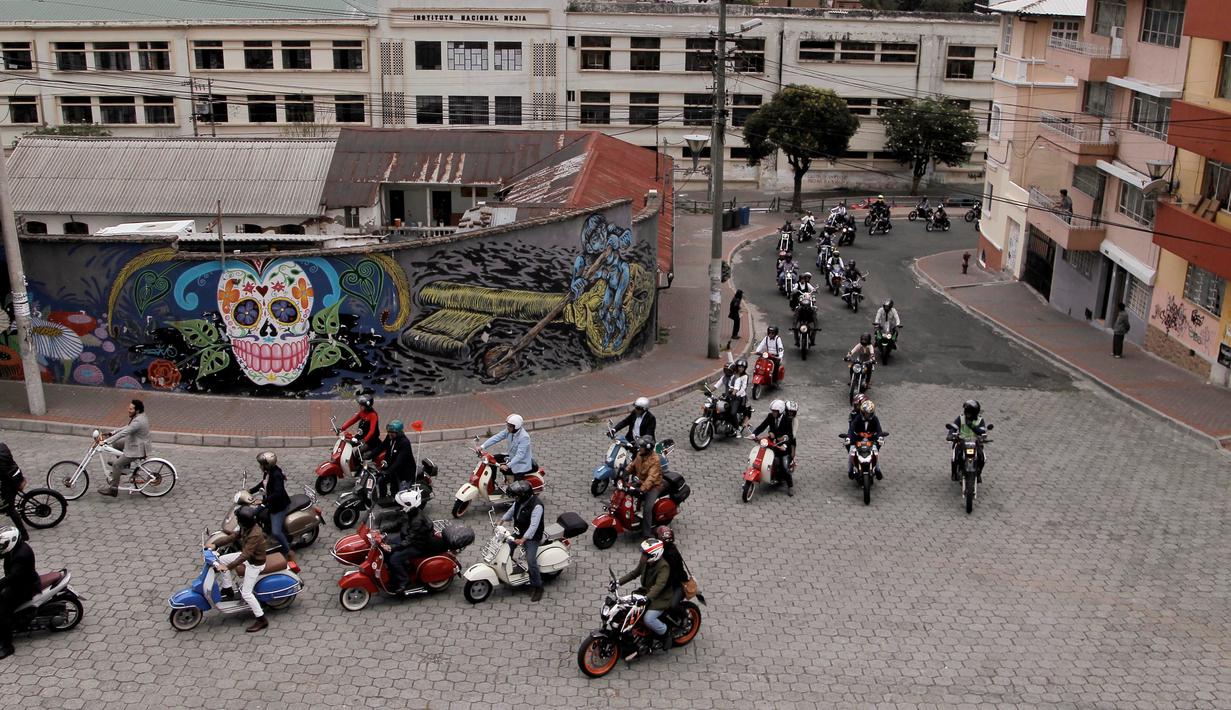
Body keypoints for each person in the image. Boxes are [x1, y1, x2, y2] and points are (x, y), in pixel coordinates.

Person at [206, 505, 269, 632]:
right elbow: (234, 536)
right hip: (249, 558)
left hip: (255, 563)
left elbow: (245, 555)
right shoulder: (246, 527)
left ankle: (261, 619)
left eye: (239, 519)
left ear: (243, 521)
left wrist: (228, 567)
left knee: (246, 593)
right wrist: (215, 544)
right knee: (221, 559)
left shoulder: (254, 534)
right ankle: (228, 588)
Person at [618, 538, 674, 659]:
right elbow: (634, 573)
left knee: (648, 619)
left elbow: (659, 586)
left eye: (645, 553)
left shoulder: (663, 566)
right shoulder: (646, 561)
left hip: (660, 598)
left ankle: (666, 633)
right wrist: (618, 582)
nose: (642, 555)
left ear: (654, 555)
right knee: (626, 609)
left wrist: (647, 598)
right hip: (646, 593)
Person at [380, 489, 435, 594]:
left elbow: (409, 541)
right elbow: (398, 524)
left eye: (401, 505)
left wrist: (392, 547)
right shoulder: (409, 512)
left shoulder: (417, 521)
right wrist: (381, 529)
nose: (400, 507)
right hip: (408, 537)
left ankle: (404, 581)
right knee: (386, 545)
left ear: (409, 505)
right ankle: (394, 572)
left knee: (394, 559)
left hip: (419, 546)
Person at [96, 398, 150, 498]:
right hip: (135, 443)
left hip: (136, 449)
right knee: (117, 443)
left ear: (137, 410)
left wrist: (106, 441)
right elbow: (127, 427)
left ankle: (113, 489)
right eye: (129, 408)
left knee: (116, 465)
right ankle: (125, 466)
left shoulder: (138, 421)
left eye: (131, 409)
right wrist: (112, 432)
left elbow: (124, 432)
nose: (128, 410)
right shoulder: (139, 416)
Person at [502, 481, 546, 602]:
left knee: (531, 560)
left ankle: (538, 586)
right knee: (506, 546)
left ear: (523, 495)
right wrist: (502, 520)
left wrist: (523, 539)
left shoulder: (537, 506)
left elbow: (533, 526)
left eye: (516, 496)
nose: (515, 498)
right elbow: (512, 510)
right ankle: (507, 570)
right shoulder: (519, 501)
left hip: (532, 537)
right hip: (519, 531)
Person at [249, 452, 295, 567]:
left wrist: (263, 501)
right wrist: (250, 491)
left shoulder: (276, 475)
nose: (260, 466)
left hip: (278, 506)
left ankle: (288, 551)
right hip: (269, 502)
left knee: (276, 532)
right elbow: (263, 483)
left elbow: (278, 493)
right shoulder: (268, 472)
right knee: (254, 513)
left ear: (267, 465)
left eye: (261, 464)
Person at [0, 525, 38, 659]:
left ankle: (7, 646)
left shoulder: (21, 556)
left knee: (3, 613)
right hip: (19, 581)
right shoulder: (15, 548)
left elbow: (12, 578)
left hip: (23, 587)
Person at [624, 435, 664, 537]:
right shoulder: (640, 454)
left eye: (642, 446)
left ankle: (647, 533)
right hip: (640, 481)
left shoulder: (655, 460)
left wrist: (642, 489)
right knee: (624, 491)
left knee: (647, 508)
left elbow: (651, 478)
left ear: (648, 449)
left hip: (653, 486)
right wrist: (624, 472)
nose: (639, 448)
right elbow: (633, 465)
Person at [752, 400, 794, 496]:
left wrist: (784, 445)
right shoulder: (770, 416)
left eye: (775, 411)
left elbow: (790, 436)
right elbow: (762, 426)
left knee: (784, 467)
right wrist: (754, 434)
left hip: (783, 447)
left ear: (780, 411)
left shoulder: (787, 420)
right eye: (772, 411)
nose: (773, 413)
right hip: (772, 443)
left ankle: (790, 486)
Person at [481, 413, 534, 487]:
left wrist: (507, 466)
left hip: (521, 463)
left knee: (516, 488)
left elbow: (520, 455)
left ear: (516, 427)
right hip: (511, 457)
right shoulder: (509, 431)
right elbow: (497, 437)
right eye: (507, 425)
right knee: (492, 459)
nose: (507, 427)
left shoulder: (524, 437)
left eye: (510, 426)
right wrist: (482, 446)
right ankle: (491, 484)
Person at [847, 399, 885, 480]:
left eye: (869, 413)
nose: (867, 415)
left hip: (871, 440)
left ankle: (877, 470)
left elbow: (879, 430)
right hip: (857, 440)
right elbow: (851, 429)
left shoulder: (875, 419)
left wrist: (880, 437)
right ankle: (850, 470)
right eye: (865, 413)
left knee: (875, 453)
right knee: (851, 453)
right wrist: (848, 438)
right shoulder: (857, 418)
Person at [951, 399, 990, 480]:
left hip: (975, 443)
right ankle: (954, 473)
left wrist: (972, 426)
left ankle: (978, 473)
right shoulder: (961, 418)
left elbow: (982, 431)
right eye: (966, 410)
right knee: (955, 457)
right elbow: (953, 427)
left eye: (970, 411)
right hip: (961, 441)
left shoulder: (980, 420)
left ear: (975, 412)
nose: (967, 413)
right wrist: (950, 434)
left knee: (982, 458)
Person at [654, 524, 689, 609]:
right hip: (665, 583)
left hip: (676, 585)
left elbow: (672, 576)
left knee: (672, 606)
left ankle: (683, 614)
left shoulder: (671, 555)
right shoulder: (662, 551)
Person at [380, 420, 417, 496]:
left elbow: (399, 461)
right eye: (389, 432)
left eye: (392, 432)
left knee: (402, 496)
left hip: (404, 472)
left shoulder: (404, 443)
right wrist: (369, 455)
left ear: (398, 432)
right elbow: (381, 447)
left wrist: (388, 471)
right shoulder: (390, 438)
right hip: (394, 469)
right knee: (381, 481)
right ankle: (382, 498)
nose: (389, 434)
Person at [341, 393, 381, 459]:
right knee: (347, 445)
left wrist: (364, 440)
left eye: (362, 405)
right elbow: (352, 420)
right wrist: (342, 428)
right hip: (361, 437)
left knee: (358, 453)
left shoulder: (373, 415)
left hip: (371, 440)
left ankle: (361, 464)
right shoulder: (362, 412)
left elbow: (372, 431)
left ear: (367, 406)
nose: (360, 406)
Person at [0, 445, 27, 542]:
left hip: (11, 482)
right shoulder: (2, 446)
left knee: (9, 508)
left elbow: (4, 475)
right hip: (16, 474)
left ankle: (24, 535)